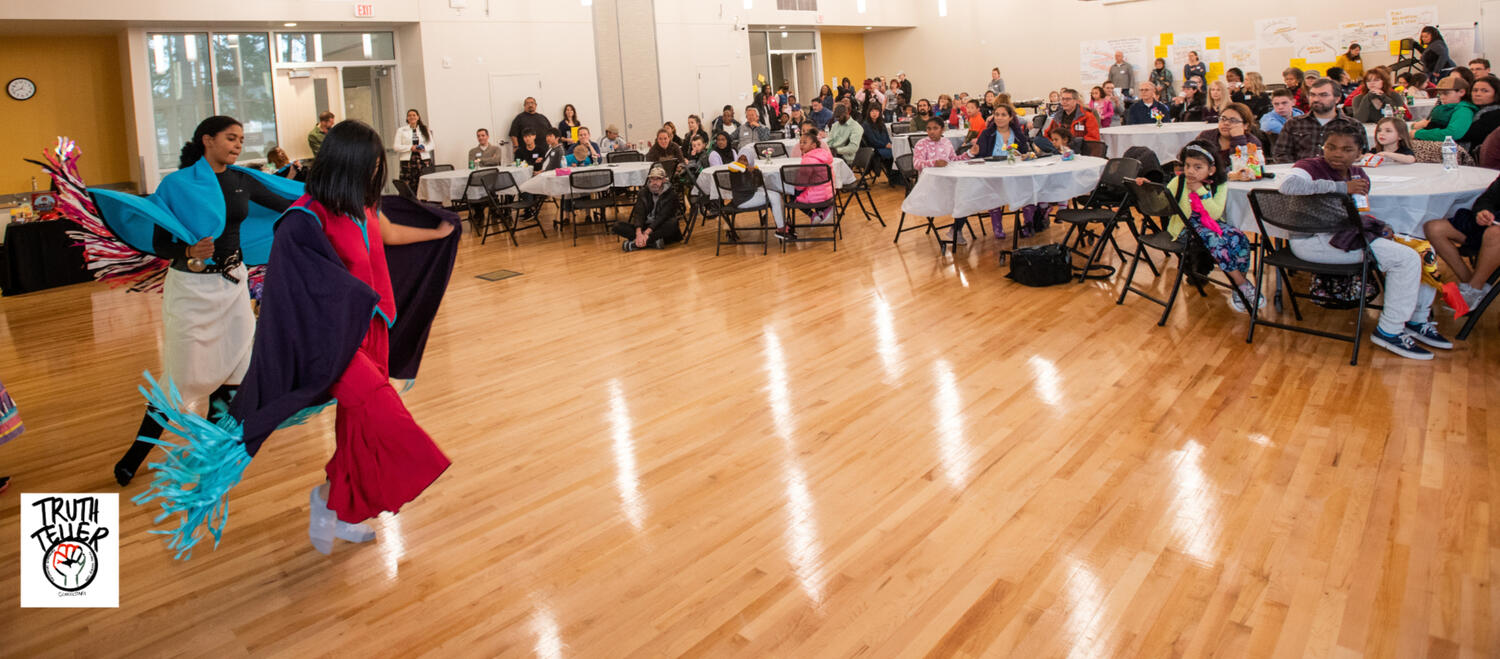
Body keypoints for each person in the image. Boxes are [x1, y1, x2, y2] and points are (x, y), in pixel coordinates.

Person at [133, 119, 458, 556]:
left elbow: (387, 235)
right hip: (334, 340)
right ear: (347, 162)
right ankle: (342, 497)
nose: (375, 170)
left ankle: (334, 506)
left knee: (356, 428)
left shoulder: (363, 204)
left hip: (374, 330)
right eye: (370, 162)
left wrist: (437, 233)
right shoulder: (306, 217)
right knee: (383, 413)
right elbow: (297, 288)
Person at [99, 115, 303, 486]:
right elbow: (160, 242)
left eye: (241, 139)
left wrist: (336, 200)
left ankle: (211, 449)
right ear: (207, 140)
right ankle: (136, 454)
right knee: (181, 375)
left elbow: (290, 206)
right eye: (231, 138)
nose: (238, 145)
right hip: (192, 290)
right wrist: (189, 250)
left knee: (235, 370)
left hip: (233, 287)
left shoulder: (242, 181)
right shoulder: (177, 185)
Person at [1277, 123, 1447, 359]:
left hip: (1343, 235)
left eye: (1347, 149)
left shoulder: (1358, 175)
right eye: (1331, 147)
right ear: (1323, 147)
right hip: (1313, 240)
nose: (1337, 153)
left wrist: (1379, 227)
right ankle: (1389, 330)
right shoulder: (1310, 166)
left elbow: (1354, 212)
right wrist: (1341, 187)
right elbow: (1288, 186)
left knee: (1422, 249)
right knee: (1405, 259)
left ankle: (1417, 319)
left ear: (1359, 153)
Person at [1137, 141, 1262, 311]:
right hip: (1184, 229)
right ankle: (1241, 284)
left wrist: (1200, 190)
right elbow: (1161, 205)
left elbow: (1215, 214)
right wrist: (1148, 189)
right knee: (1214, 240)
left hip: (1212, 224)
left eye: (1198, 167)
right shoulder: (1179, 181)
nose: (1190, 171)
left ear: (1211, 170)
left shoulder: (1219, 185)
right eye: (1187, 165)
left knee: (1239, 238)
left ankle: (1238, 288)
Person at [1425, 173, 1500, 308]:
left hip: (1495, 233)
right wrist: (1483, 212)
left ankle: (1474, 289)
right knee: (1433, 228)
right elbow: (1487, 199)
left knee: (1495, 233)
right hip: (1491, 226)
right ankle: (1471, 287)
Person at [977, 103, 1048, 237]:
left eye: (1003, 115)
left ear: (1010, 118)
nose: (999, 118)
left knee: (1029, 189)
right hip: (993, 173)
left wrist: (1024, 156)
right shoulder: (987, 134)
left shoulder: (1018, 134)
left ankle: (1028, 224)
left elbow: (1024, 152)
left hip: (1016, 172)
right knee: (993, 194)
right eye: (997, 114)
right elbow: (980, 155)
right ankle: (997, 228)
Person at [1273, 78, 1368, 164]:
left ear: (1337, 99)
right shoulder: (1294, 124)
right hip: (1303, 173)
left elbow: (1361, 156)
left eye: (1323, 95)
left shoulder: (1353, 126)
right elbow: (1280, 154)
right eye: (1312, 95)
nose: (1316, 99)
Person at [615, 164, 683, 251]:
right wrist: (639, 233)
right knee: (617, 226)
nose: (654, 182)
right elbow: (639, 213)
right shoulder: (643, 192)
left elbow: (663, 216)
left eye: (658, 179)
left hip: (660, 226)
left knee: (673, 223)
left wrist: (647, 233)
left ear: (664, 180)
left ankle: (636, 244)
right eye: (652, 179)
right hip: (645, 225)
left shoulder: (671, 194)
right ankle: (652, 242)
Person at [1411, 76, 1476, 142]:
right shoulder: (1443, 107)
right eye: (1440, 94)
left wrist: (1418, 134)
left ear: (1461, 92)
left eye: (1446, 93)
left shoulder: (1464, 111)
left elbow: (1452, 133)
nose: (1442, 97)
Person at [1195, 103, 1261, 163]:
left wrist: (1238, 139)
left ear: (1246, 125)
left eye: (1233, 120)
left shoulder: (1252, 142)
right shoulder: (1206, 136)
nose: (1226, 123)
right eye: (1223, 119)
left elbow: (1242, 167)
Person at [396, 109, 434, 190]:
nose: (412, 117)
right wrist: (410, 147)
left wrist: (424, 148)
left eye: (414, 115)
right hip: (408, 162)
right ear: (407, 118)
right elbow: (396, 146)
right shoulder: (401, 130)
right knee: (408, 185)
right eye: (409, 115)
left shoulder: (424, 129)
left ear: (418, 117)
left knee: (424, 185)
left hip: (423, 160)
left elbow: (432, 145)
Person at [1459, 75, 1500, 151]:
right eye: (1475, 90)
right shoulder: (1472, 109)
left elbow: (1465, 134)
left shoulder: (1496, 114)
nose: (1478, 94)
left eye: (1485, 91)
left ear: (1496, 93)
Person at [861, 104, 898, 185]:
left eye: (877, 111)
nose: (874, 113)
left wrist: (889, 143)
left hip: (884, 146)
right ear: (869, 112)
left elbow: (887, 136)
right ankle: (893, 178)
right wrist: (885, 145)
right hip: (875, 148)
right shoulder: (866, 125)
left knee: (897, 152)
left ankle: (897, 177)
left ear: (880, 113)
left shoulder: (881, 123)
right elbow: (872, 141)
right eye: (872, 111)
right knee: (892, 154)